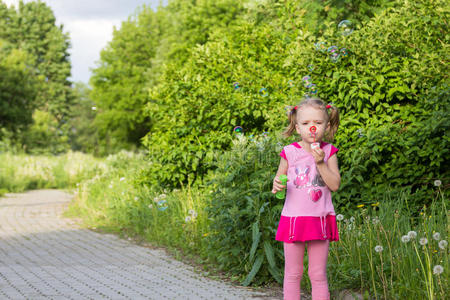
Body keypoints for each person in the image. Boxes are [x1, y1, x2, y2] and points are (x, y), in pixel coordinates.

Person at [272, 97, 341, 300]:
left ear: (327, 126)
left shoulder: (329, 152)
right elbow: (279, 180)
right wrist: (277, 184)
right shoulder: (289, 152)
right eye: (306, 123)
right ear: (296, 126)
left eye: (318, 123)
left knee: (317, 274)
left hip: (319, 219)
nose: (312, 128)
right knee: (293, 273)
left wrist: (320, 163)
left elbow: (335, 185)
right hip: (293, 219)